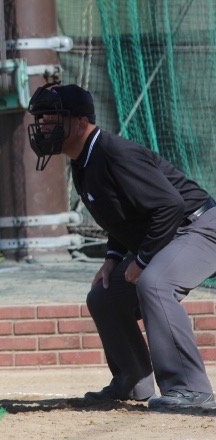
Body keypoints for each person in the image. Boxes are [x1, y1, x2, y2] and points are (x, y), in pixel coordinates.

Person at [27, 83, 216, 410]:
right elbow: (124, 215)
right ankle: (132, 382)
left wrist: (141, 260)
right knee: (104, 296)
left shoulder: (114, 153)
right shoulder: (83, 160)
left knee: (155, 283)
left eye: (53, 118)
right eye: (41, 120)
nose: (44, 126)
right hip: (171, 232)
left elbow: (169, 206)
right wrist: (113, 258)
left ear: (81, 124)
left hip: (200, 226)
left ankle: (190, 390)